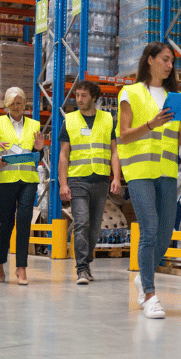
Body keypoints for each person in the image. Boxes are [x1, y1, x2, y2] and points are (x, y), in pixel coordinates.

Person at [118, 43, 181, 319]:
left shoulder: (175, 96)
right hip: (140, 171)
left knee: (165, 232)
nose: (170, 65)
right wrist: (152, 124)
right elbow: (124, 135)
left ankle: (143, 276)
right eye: (165, 59)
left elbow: (177, 141)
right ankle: (149, 294)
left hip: (167, 170)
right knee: (149, 229)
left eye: (172, 61)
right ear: (150, 60)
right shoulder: (131, 92)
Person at [57, 78, 120, 285]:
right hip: (78, 180)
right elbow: (64, 155)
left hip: (101, 180)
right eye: (77, 95)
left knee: (94, 228)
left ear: (94, 97)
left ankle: (87, 258)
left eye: (84, 96)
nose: (79, 99)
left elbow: (114, 151)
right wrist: (63, 183)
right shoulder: (70, 120)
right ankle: (81, 268)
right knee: (81, 222)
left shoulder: (108, 119)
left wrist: (116, 178)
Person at [0, 86, 44, 286]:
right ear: (6, 104)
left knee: (24, 220)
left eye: (20, 101)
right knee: (7, 222)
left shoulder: (34, 124)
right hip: (5, 179)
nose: (17, 105)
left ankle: (21, 268)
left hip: (28, 179)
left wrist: (40, 149)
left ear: (25, 104)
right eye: (13, 102)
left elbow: (38, 154)